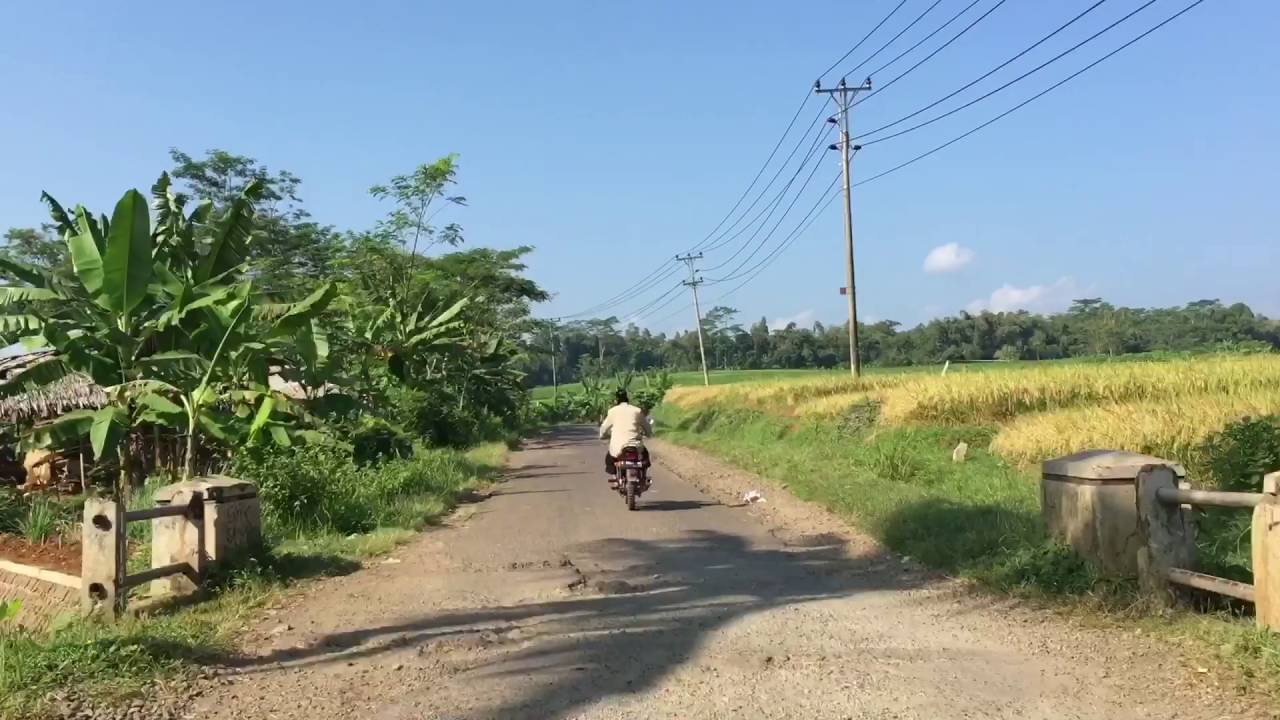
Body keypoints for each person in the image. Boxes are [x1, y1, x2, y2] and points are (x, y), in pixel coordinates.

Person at [598, 388, 652, 484]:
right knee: (645, 457)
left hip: (618, 447)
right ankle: (643, 477)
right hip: (635, 445)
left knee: (609, 460)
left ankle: (615, 478)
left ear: (616, 400)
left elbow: (604, 428)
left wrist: (602, 435)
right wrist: (648, 434)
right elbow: (647, 427)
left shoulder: (612, 411)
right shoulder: (636, 410)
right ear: (627, 398)